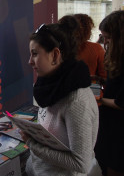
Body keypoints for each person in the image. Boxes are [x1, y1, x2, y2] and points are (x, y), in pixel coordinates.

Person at [22, 23, 99, 176]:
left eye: (35, 54)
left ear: (55, 55)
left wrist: (32, 143)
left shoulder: (76, 101)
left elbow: (80, 163)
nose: (29, 61)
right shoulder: (50, 85)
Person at [94, 10, 124, 176]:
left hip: (118, 131)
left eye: (108, 37)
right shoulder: (117, 55)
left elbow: (121, 102)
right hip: (110, 125)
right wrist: (101, 80)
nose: (104, 41)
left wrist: (99, 99)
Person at [73, 13, 106, 83]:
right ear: (87, 30)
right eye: (90, 29)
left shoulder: (60, 48)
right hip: (91, 90)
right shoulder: (96, 48)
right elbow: (104, 75)